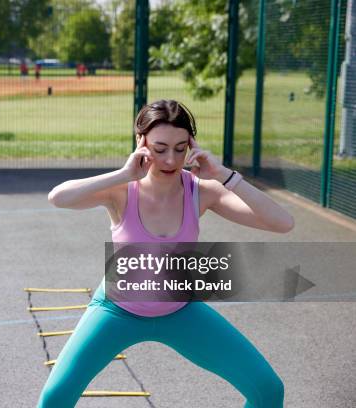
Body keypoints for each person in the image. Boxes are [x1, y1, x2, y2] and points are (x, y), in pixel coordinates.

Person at [38, 99, 293, 407]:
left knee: (268, 389)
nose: (171, 159)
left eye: (181, 148)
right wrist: (123, 174)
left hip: (181, 311)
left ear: (192, 145)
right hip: (116, 311)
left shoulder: (202, 191)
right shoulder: (120, 191)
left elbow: (282, 223)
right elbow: (58, 197)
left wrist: (224, 174)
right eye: (159, 149)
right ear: (140, 141)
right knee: (55, 398)